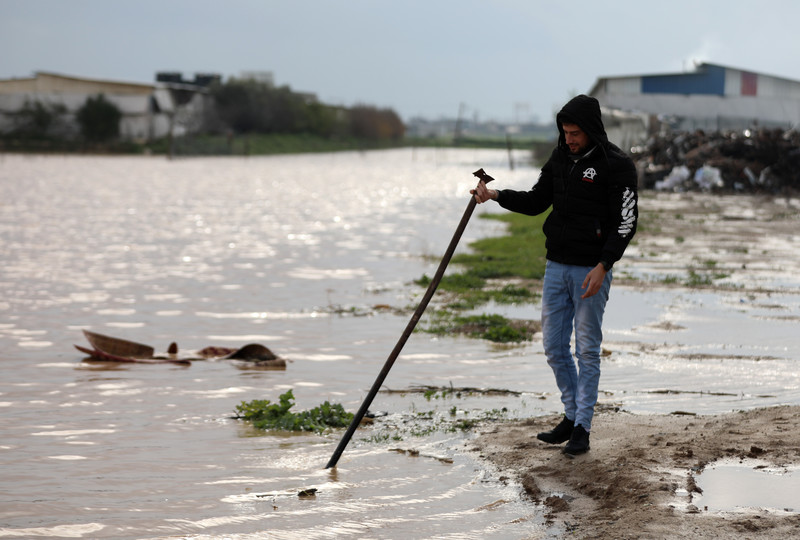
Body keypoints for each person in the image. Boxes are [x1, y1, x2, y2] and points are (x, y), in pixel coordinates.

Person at [471, 94, 638, 456]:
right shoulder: (561, 156)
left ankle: (582, 428)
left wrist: (604, 265)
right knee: (553, 348)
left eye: (575, 133)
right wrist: (495, 195)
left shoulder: (618, 165)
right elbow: (535, 201)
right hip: (555, 265)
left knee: (587, 350)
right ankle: (570, 414)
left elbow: (626, 223)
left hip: (591, 270)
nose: (569, 139)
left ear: (592, 130)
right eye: (564, 132)